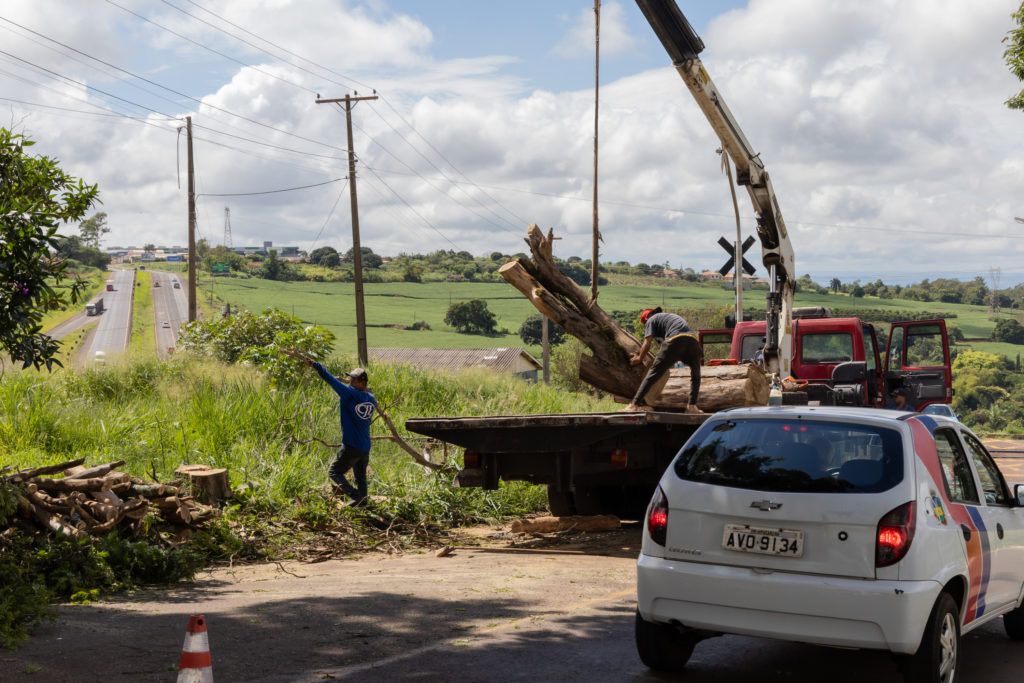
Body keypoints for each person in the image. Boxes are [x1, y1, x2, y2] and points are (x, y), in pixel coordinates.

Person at [281, 349, 379, 505]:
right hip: (365, 446)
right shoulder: (371, 399)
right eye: (350, 379)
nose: (351, 382)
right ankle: (363, 503)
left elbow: (331, 380)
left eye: (354, 380)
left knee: (334, 472)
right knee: (360, 477)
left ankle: (355, 497)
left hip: (351, 445)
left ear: (362, 382)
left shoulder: (349, 394)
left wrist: (316, 366)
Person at [625, 307, 703, 413]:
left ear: (646, 319)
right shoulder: (670, 317)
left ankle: (634, 404)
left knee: (653, 373)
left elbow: (647, 343)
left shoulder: (651, 320)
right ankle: (692, 406)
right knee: (696, 375)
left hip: (675, 340)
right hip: (693, 341)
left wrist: (639, 358)